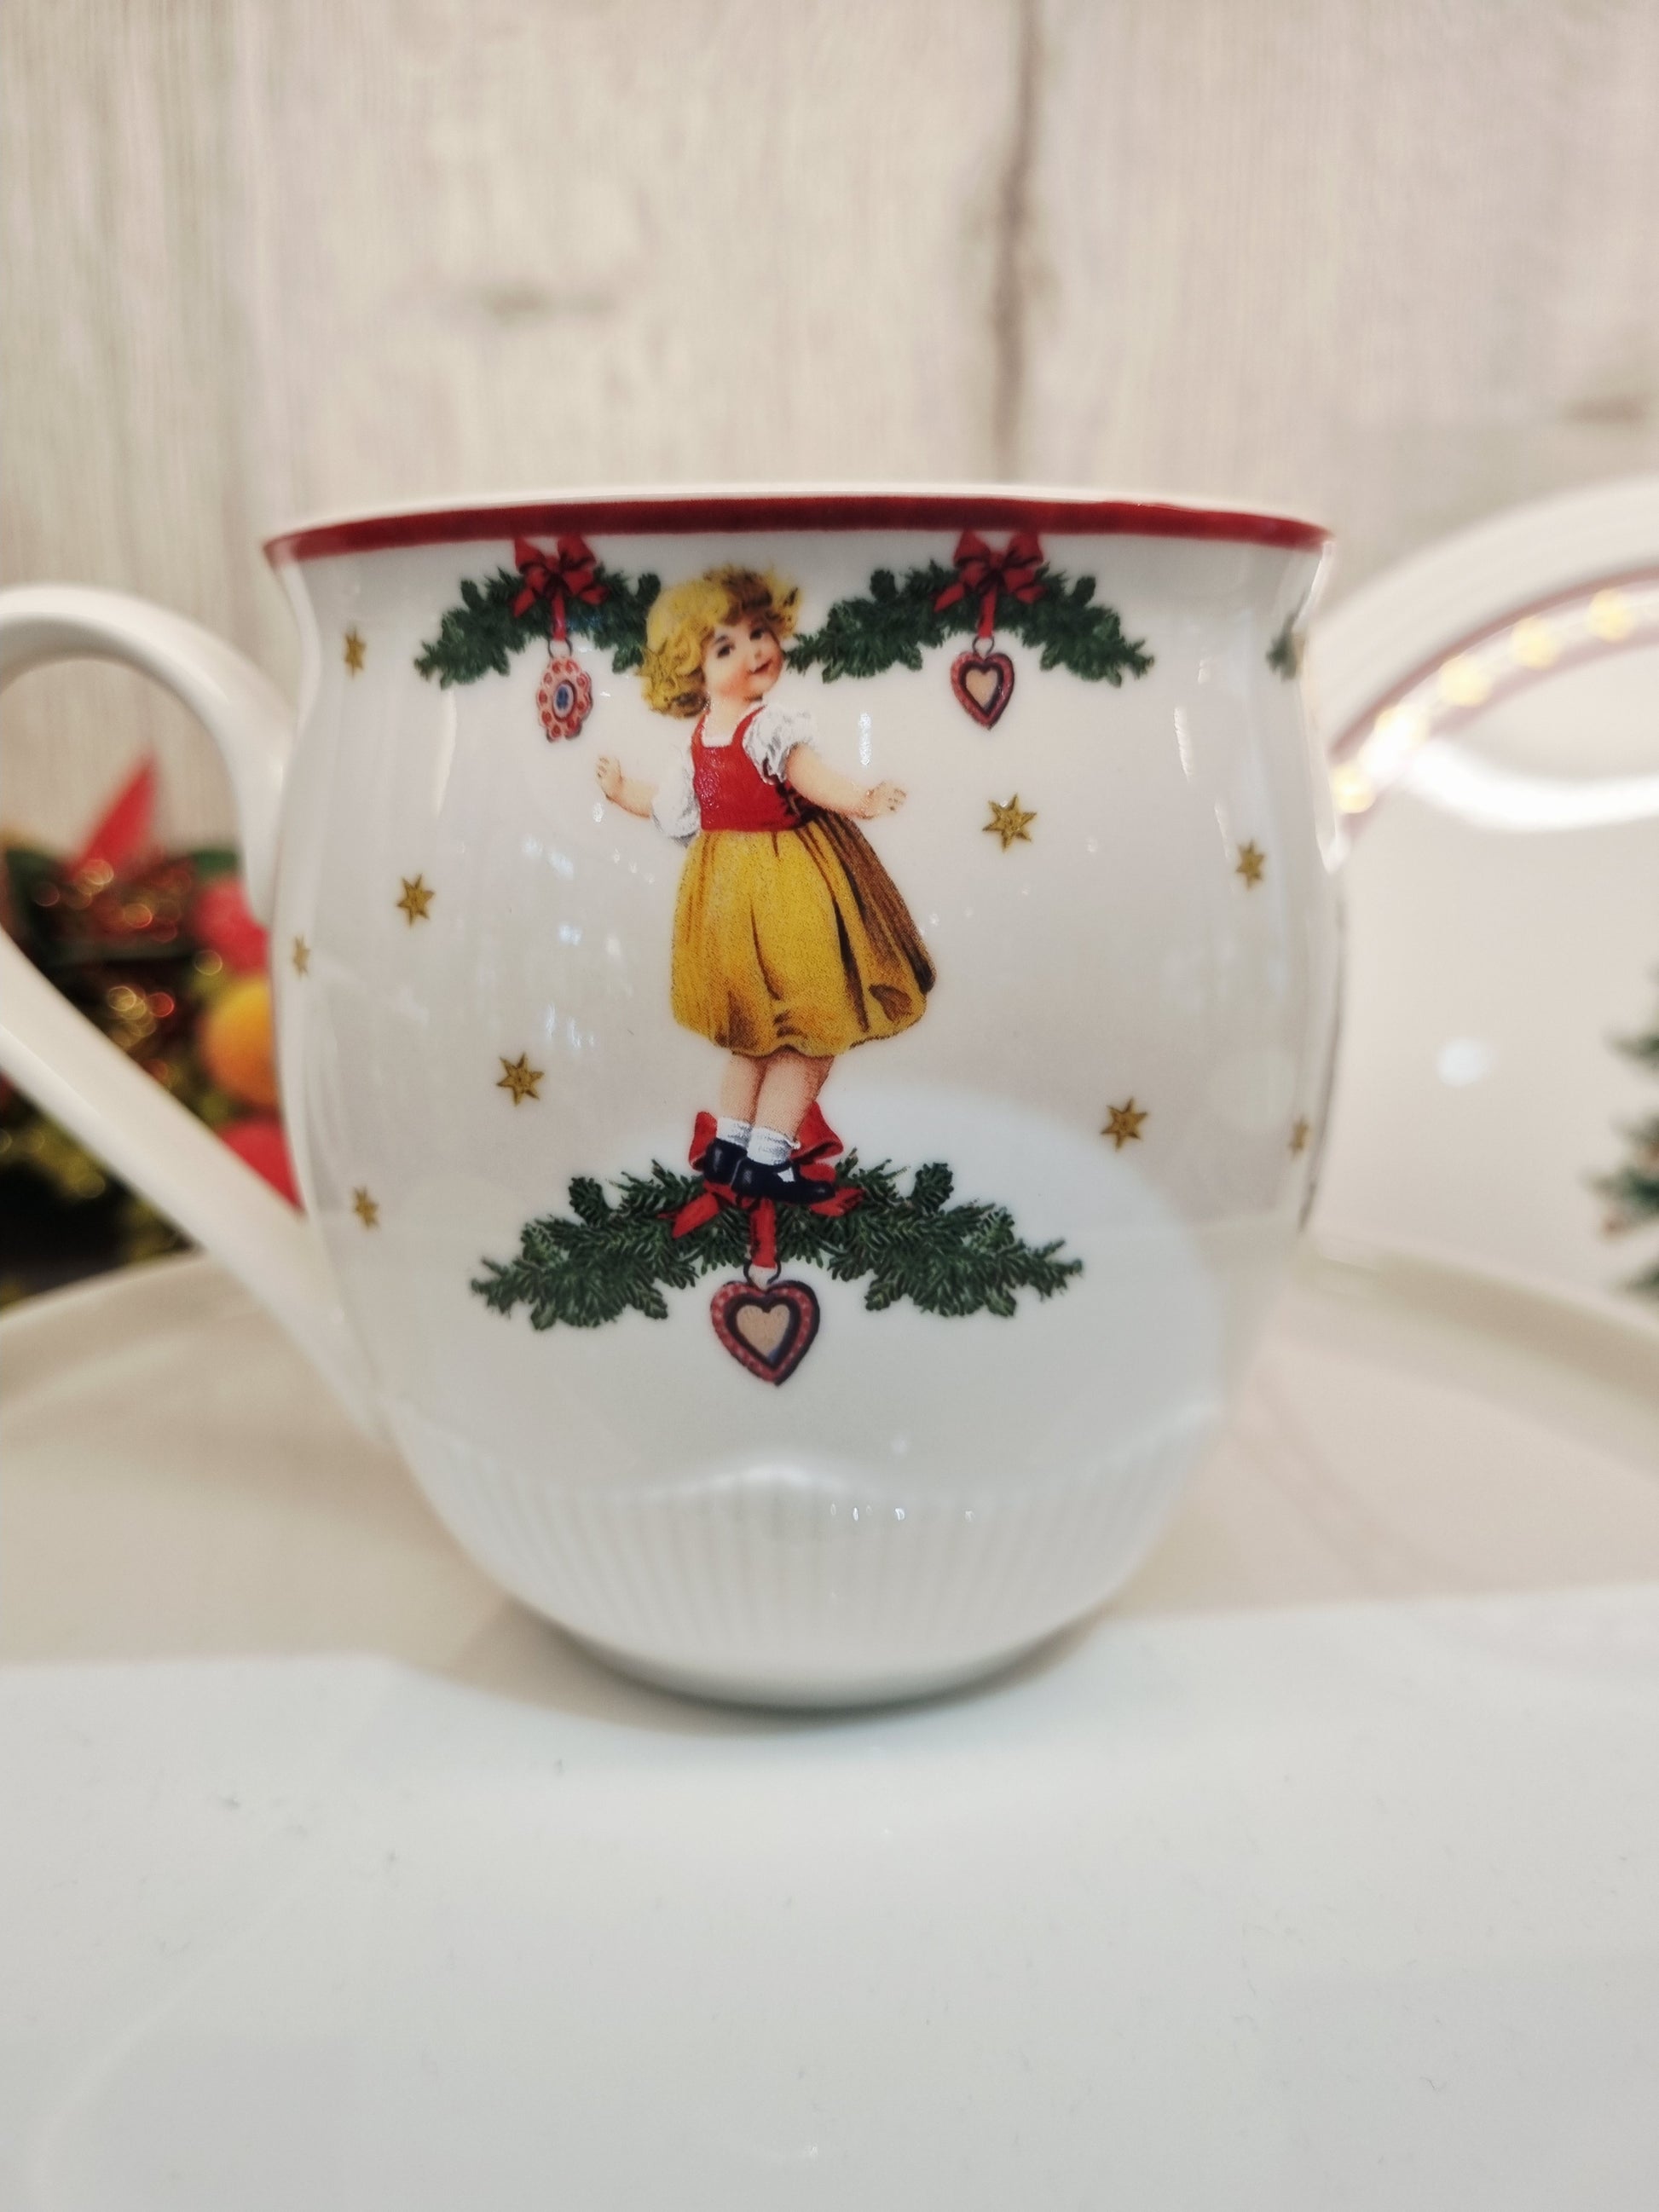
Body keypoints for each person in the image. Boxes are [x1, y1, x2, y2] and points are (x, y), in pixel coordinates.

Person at [596, 565, 933, 1202]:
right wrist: (862, 800)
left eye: (758, 632)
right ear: (693, 672)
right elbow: (809, 781)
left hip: (724, 893)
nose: (753, 650)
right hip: (787, 891)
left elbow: (669, 806)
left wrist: (620, 794)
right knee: (809, 1034)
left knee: (755, 1038)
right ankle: (769, 1160)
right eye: (725, 647)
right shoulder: (767, 730)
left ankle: (730, 1146)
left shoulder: (704, 741)